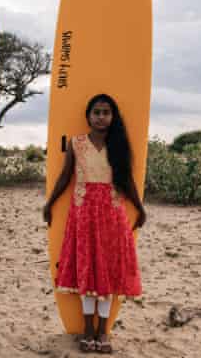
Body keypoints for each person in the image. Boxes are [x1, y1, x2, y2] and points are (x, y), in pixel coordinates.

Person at [43, 94, 146, 353]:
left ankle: (103, 332)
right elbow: (65, 176)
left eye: (106, 112)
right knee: (88, 271)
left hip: (112, 215)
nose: (101, 117)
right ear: (88, 116)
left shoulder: (119, 146)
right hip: (84, 214)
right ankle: (87, 329)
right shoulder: (77, 144)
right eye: (96, 112)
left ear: (113, 117)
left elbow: (128, 182)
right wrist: (50, 203)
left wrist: (140, 208)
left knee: (108, 273)